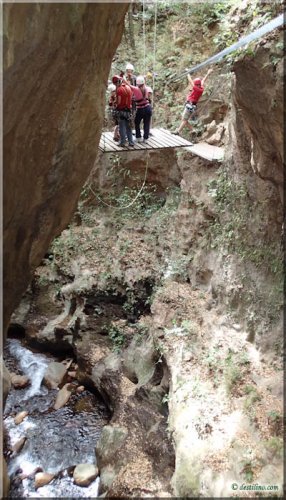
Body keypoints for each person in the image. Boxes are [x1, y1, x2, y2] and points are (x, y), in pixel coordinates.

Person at [174, 68, 213, 136]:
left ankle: (179, 131)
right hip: (191, 105)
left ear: (196, 85)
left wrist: (187, 73)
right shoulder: (201, 88)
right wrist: (208, 73)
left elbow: (190, 81)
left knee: (184, 119)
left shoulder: (196, 88)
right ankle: (192, 130)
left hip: (190, 105)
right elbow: (203, 80)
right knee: (184, 119)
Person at [126, 75, 153, 142]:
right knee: (146, 123)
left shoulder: (136, 89)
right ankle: (145, 138)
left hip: (140, 109)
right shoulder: (147, 88)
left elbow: (128, 85)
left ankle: (138, 137)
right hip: (147, 108)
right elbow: (149, 95)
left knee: (137, 122)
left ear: (137, 83)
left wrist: (123, 79)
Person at [112, 75, 135, 147]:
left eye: (115, 84)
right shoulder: (128, 87)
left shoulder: (119, 90)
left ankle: (122, 142)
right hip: (128, 110)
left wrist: (115, 104)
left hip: (121, 110)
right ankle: (131, 142)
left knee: (122, 127)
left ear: (116, 82)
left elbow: (119, 102)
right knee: (128, 127)